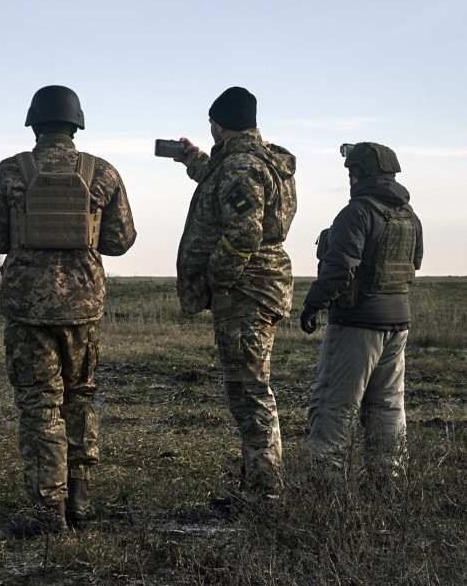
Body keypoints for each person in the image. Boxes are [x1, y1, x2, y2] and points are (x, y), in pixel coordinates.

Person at [0, 85, 136, 535]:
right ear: (76, 124)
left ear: (34, 124)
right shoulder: (102, 173)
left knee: (41, 405)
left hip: (28, 311)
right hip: (84, 309)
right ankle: (79, 498)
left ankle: (48, 511)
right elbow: (120, 241)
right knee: (80, 397)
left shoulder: (11, 171)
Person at [169, 87, 296, 511]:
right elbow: (221, 181)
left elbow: (244, 230)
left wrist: (217, 279)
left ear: (219, 123)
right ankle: (256, 485)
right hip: (258, 286)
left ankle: (265, 493)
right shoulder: (253, 160)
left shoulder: (240, 165)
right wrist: (194, 161)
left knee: (250, 389)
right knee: (245, 386)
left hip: (246, 291)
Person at [299, 142, 422, 486]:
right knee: (387, 405)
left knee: (335, 405)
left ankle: (325, 487)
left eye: (352, 172)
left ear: (360, 175)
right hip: (397, 323)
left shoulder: (357, 213)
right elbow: (416, 263)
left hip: (356, 323)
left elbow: (339, 270)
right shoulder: (409, 216)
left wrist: (313, 304)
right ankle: (389, 482)